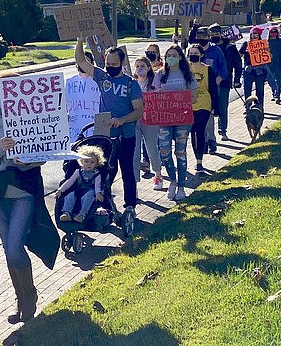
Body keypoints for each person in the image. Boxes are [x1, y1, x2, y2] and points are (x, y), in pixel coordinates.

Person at [0, 71, 57, 325]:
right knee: (8, 250)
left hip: (24, 190)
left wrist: (27, 158)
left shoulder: (33, 118)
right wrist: (0, 148)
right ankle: (20, 298)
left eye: (7, 89)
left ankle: (30, 296)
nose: (1, 95)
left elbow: (45, 154)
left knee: (15, 247)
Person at [76, 37, 143, 217]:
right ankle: (104, 204)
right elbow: (81, 61)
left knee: (127, 169)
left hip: (126, 135)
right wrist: (79, 42)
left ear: (122, 62)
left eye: (114, 64)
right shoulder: (101, 76)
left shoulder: (131, 84)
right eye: (108, 63)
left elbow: (138, 111)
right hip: (105, 135)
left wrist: (122, 119)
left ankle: (130, 205)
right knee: (105, 171)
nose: (110, 67)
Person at [152, 45, 198, 201]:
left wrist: (181, 97)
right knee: (164, 151)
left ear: (180, 57)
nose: (170, 58)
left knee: (180, 152)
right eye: (167, 55)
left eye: (173, 55)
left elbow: (194, 98)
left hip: (183, 119)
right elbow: (153, 97)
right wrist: (158, 94)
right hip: (164, 119)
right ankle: (172, 180)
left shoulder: (188, 75)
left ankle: (181, 186)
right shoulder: (160, 74)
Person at [132, 56, 164, 190]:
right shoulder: (132, 83)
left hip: (150, 121)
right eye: (137, 66)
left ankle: (158, 175)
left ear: (148, 68)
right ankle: (134, 184)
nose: (140, 69)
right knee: (134, 152)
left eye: (142, 66)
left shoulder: (154, 83)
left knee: (152, 149)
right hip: (134, 121)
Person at [195, 27, 227, 155]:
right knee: (198, 118)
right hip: (196, 91)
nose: (202, 40)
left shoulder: (216, 51)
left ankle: (211, 141)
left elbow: (223, 69)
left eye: (204, 37)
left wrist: (216, 80)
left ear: (208, 37)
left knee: (209, 116)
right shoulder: (194, 51)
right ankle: (202, 142)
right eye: (199, 37)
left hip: (211, 90)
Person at [187, 45, 218, 175]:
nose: (193, 55)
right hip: (188, 105)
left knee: (199, 130)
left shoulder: (207, 69)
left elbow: (213, 89)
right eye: (191, 53)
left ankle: (199, 161)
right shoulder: (185, 69)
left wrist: (216, 108)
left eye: (196, 53)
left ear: (201, 55)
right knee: (192, 132)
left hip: (204, 103)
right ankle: (195, 157)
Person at [55, 145, 105, 223]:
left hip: (90, 192)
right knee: (70, 196)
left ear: (96, 163)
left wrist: (98, 193)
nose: (89, 164)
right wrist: (60, 190)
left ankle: (82, 215)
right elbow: (70, 181)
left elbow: (97, 186)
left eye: (92, 162)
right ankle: (66, 213)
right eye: (86, 161)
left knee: (89, 195)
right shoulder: (78, 172)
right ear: (81, 161)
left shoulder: (97, 174)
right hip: (79, 191)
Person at [210, 23, 239, 141]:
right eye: (211, 35)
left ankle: (223, 130)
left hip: (225, 81)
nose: (214, 36)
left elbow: (237, 63)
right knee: (209, 108)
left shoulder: (230, 47)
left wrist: (237, 79)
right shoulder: (207, 47)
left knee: (222, 107)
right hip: (208, 82)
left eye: (216, 34)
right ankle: (209, 134)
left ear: (220, 34)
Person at [66, 51, 100, 142]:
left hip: (94, 127)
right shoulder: (69, 83)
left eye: (86, 61)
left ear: (92, 64)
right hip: (74, 129)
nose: (82, 64)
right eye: (80, 61)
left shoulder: (99, 82)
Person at [239, 27, 270, 106]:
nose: (254, 35)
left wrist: (267, 51)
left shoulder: (263, 44)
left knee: (260, 90)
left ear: (259, 35)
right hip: (248, 70)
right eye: (253, 33)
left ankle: (259, 107)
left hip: (260, 70)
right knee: (247, 90)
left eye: (256, 33)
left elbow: (269, 57)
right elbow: (239, 55)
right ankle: (248, 107)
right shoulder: (246, 44)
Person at [267, 26, 281, 104]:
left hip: (278, 63)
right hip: (269, 64)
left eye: (275, 32)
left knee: (278, 80)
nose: (274, 34)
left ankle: (277, 95)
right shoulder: (266, 43)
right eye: (272, 32)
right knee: (270, 80)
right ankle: (274, 93)